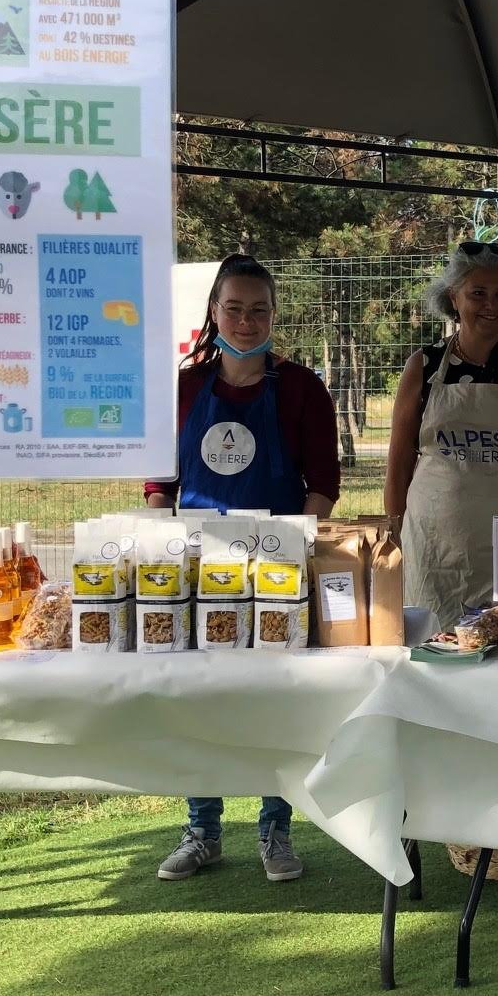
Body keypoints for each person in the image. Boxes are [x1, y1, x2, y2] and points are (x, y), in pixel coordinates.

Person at [143, 253, 340, 885]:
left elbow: (323, 484)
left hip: (276, 573)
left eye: (259, 309)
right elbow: (159, 485)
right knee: (201, 702)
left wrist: (294, 547)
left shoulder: (303, 389)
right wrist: (165, 541)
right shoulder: (184, 388)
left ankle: (275, 830)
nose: (246, 321)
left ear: (275, 315)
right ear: (214, 311)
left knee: (274, 703)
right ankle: (201, 830)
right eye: (234, 308)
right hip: (199, 574)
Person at [385, 242, 498, 623]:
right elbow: (399, 462)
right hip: (437, 554)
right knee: (438, 641)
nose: (491, 305)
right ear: (454, 297)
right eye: (478, 294)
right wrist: (396, 534)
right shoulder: (423, 366)